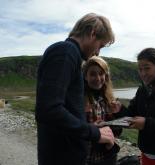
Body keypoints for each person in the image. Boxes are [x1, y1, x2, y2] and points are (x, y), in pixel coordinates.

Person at [35, 13, 115, 165]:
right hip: (61, 157)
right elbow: (48, 109)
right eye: (100, 45)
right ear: (92, 33)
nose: (98, 52)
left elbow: (63, 110)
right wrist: (94, 133)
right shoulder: (65, 52)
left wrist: (88, 126)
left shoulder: (70, 55)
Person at [82, 56, 121, 165]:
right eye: (93, 74)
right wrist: (93, 128)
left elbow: (117, 132)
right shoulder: (78, 98)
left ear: (106, 76)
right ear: (85, 76)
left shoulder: (109, 99)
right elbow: (72, 130)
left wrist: (117, 115)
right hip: (86, 158)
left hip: (107, 157)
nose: (98, 78)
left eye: (101, 73)